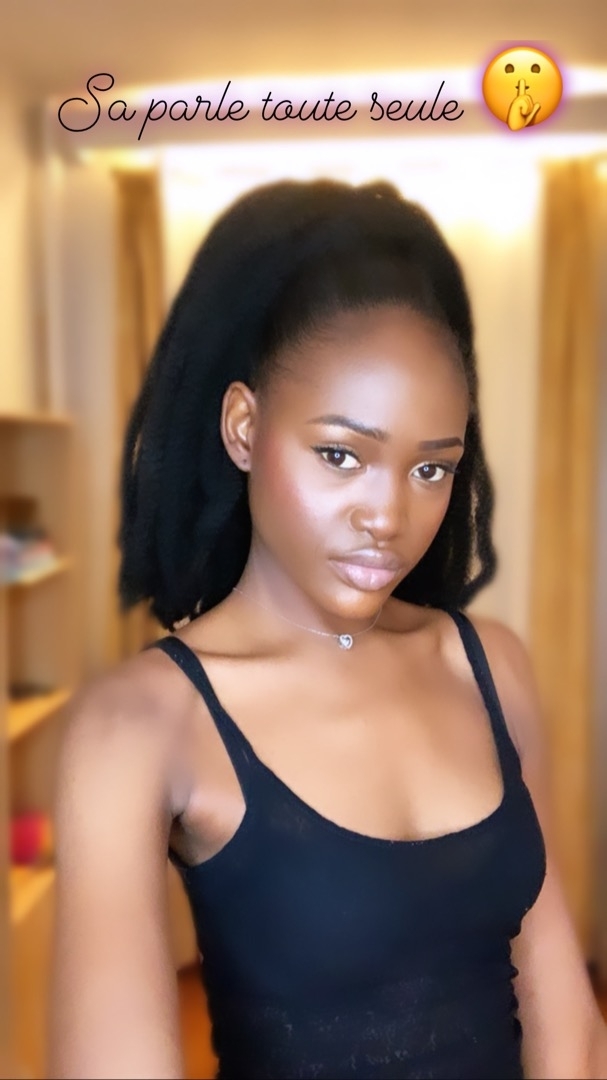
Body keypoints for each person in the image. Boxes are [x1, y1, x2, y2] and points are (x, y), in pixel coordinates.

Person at [49, 178, 607, 1080]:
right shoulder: (139, 723)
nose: (388, 517)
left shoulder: (488, 667)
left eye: (430, 469)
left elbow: (567, 1027)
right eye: (341, 455)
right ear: (243, 427)